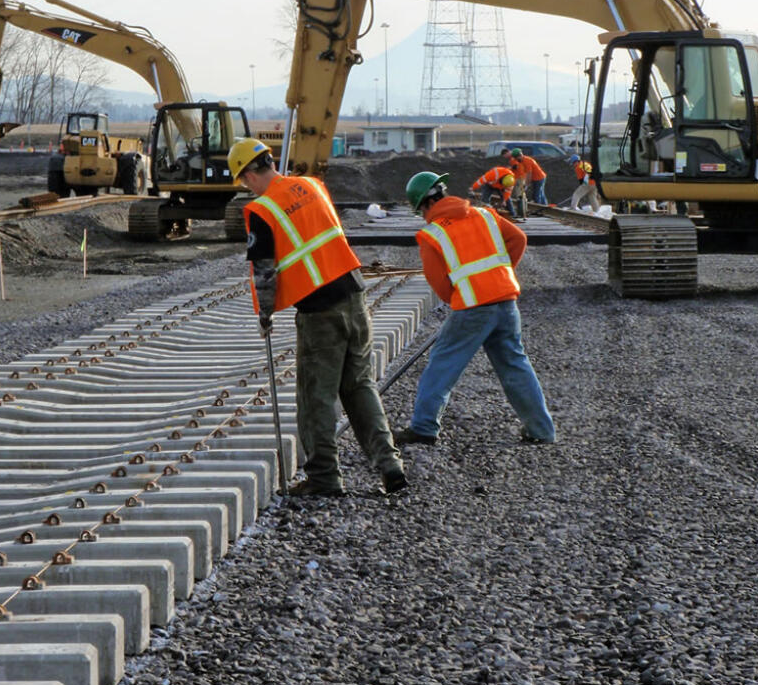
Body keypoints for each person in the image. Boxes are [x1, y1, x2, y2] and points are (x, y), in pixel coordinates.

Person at [228, 138, 407, 497]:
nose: (247, 188)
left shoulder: (263, 210)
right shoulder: (312, 185)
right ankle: (390, 466)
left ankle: (325, 478)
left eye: (244, 181)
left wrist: (264, 314)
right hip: (355, 296)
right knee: (359, 386)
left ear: (250, 173)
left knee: (316, 396)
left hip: (319, 311)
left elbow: (264, 271)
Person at [394, 171, 556, 447]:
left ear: (424, 205)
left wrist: (464, 295)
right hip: (506, 302)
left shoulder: (431, 235)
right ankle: (541, 431)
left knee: (442, 365)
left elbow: (440, 285)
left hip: (472, 309)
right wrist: (498, 277)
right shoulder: (484, 214)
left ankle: (423, 428)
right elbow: (519, 239)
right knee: (515, 365)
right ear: (443, 194)